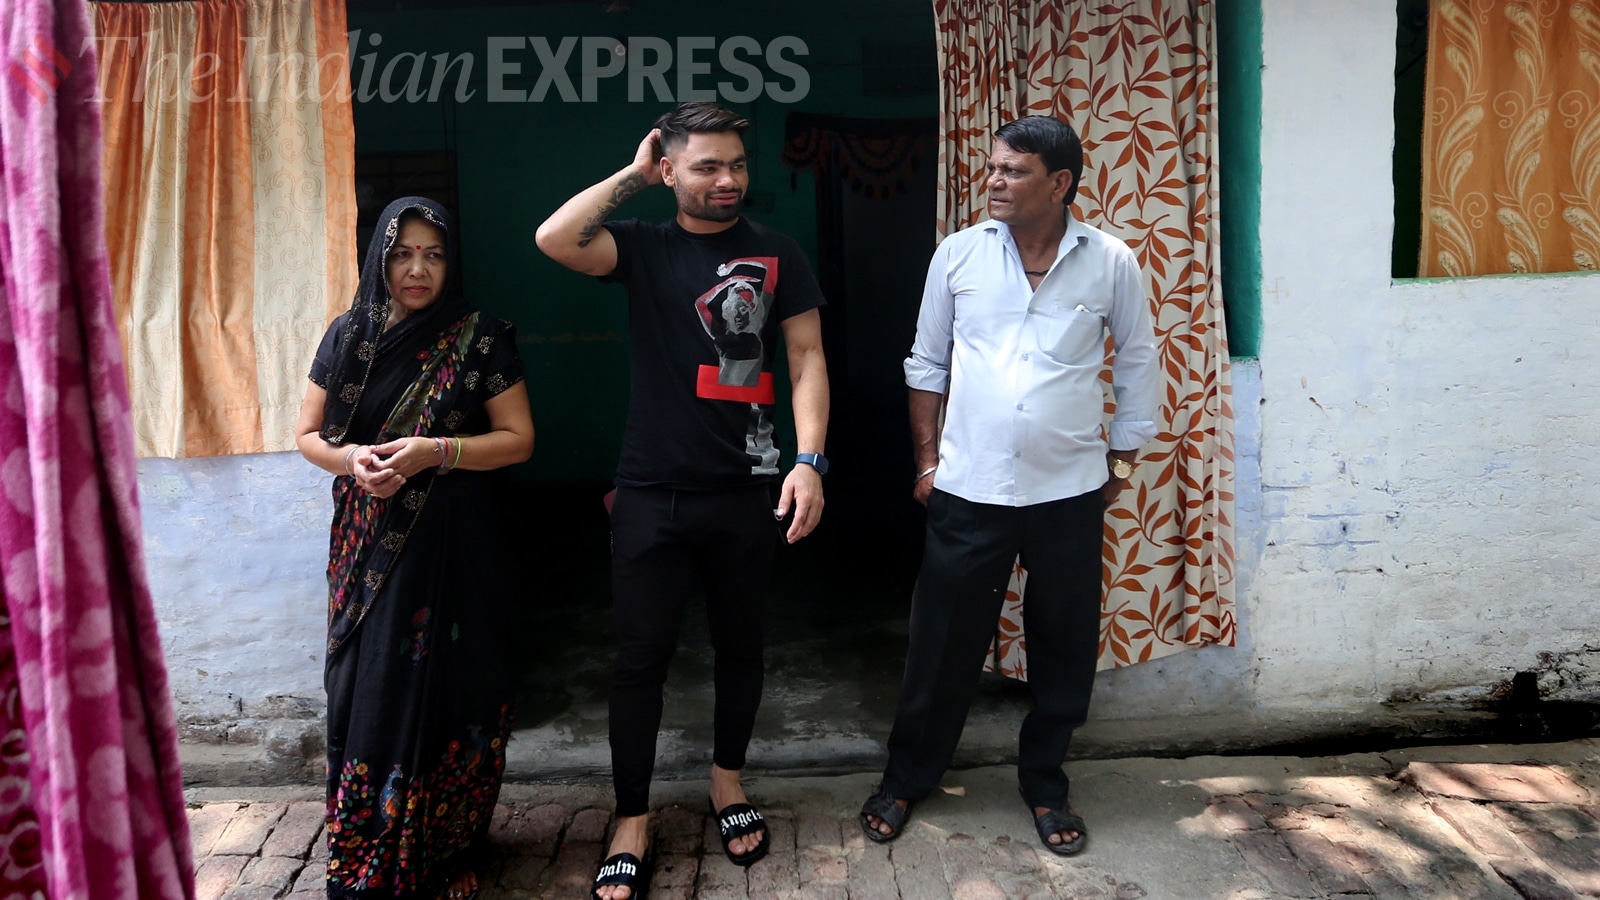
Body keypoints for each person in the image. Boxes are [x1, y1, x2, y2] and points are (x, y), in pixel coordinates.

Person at [535, 101, 829, 900]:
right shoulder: (644, 248)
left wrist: (809, 463)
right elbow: (555, 238)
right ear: (669, 170)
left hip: (746, 491)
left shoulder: (777, 251)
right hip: (651, 492)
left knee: (742, 647)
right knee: (640, 660)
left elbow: (804, 358)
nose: (728, 179)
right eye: (707, 165)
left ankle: (726, 781)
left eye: (737, 164)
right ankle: (631, 816)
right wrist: (631, 175)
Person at [858, 116, 1160, 857]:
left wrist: (1119, 464)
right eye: (992, 168)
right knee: (942, 644)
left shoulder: (1110, 261)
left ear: (1059, 184)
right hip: (969, 489)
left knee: (1063, 644)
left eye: (1012, 171)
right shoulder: (958, 255)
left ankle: (1046, 784)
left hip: (1068, 493)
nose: (993, 181)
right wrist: (927, 463)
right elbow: (926, 364)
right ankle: (906, 778)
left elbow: (1139, 362)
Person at [295, 196, 535, 899]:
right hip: (368, 550)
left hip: (457, 550)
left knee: (456, 695)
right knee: (366, 693)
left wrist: (439, 451)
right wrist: (353, 462)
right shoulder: (347, 337)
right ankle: (367, 848)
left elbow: (519, 440)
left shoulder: (480, 338)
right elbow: (310, 436)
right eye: (403, 253)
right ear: (380, 257)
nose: (418, 268)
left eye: (433, 253)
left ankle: (447, 850)